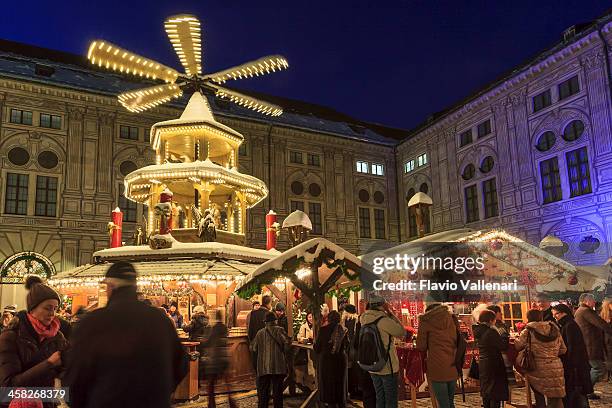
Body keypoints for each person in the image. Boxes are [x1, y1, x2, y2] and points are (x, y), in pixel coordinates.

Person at [63, 261, 188, 408]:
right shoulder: (160, 320)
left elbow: (76, 376)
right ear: (134, 286)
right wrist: (161, 392)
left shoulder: (92, 323)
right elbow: (181, 364)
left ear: (111, 287)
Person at [0, 276, 68, 408]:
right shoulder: (10, 337)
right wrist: (49, 363)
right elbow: (7, 389)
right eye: (48, 308)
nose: (52, 313)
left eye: (55, 308)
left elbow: (66, 371)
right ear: (33, 309)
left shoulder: (57, 336)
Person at [360, 294, 405, 408]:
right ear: (382, 305)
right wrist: (390, 313)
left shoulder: (363, 318)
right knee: (390, 400)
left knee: (380, 397)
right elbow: (401, 332)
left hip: (373, 364)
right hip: (387, 366)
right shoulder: (383, 320)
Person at [515, 309, 566, 408]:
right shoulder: (554, 330)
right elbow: (563, 349)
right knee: (555, 395)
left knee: (539, 393)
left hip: (536, 366)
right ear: (541, 317)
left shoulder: (528, 331)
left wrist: (517, 340)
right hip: (555, 366)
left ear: (528, 318)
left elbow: (519, 346)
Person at [416, 303, 459, 408]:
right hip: (453, 363)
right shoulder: (452, 318)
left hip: (437, 365)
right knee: (450, 401)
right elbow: (457, 339)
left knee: (443, 402)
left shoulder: (426, 320)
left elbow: (421, 346)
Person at [552, 303, 592, 408]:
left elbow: (572, 348)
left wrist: (569, 365)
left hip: (575, 367)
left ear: (564, 313)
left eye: (556, 314)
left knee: (576, 394)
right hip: (576, 366)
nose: (555, 317)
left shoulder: (569, 326)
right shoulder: (567, 324)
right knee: (578, 394)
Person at [574, 292, 612, 398]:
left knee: (594, 368)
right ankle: (586, 390)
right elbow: (601, 324)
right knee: (598, 368)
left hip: (588, 345)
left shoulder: (581, 310)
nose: (594, 302)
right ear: (586, 301)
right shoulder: (586, 311)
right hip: (590, 345)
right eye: (592, 300)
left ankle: (587, 390)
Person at [251, 311, 290, 408]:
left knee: (263, 393)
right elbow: (287, 345)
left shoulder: (260, 333)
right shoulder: (280, 330)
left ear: (265, 322)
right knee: (277, 393)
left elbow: (253, 348)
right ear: (275, 321)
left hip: (263, 367)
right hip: (278, 366)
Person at [473, 310, 509, 408]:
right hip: (494, 363)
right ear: (490, 320)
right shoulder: (491, 331)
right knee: (495, 392)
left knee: (486, 391)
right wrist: (505, 336)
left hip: (483, 363)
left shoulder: (478, 330)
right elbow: (502, 346)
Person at [201, 310, 235, 408]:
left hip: (215, 359)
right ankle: (232, 402)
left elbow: (207, 342)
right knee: (227, 383)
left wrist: (203, 341)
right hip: (225, 358)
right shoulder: (224, 328)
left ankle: (211, 404)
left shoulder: (213, 328)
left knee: (211, 384)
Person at [314, 310, 348, 407]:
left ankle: (331, 405)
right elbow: (347, 346)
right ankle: (342, 404)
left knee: (328, 385)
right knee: (340, 384)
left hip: (327, 361)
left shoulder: (323, 330)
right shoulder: (344, 330)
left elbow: (317, 348)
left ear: (328, 319)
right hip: (340, 360)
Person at [342, 304, 360, 398]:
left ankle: (350, 389)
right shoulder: (356, 320)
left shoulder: (347, 320)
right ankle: (354, 390)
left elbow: (347, 336)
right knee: (354, 368)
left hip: (350, 349)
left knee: (349, 368)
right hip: (355, 348)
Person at [599, 297, 612, 381]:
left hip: (607, 339)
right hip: (608, 339)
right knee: (609, 358)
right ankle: (609, 375)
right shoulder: (604, 315)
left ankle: (608, 375)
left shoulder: (602, 315)